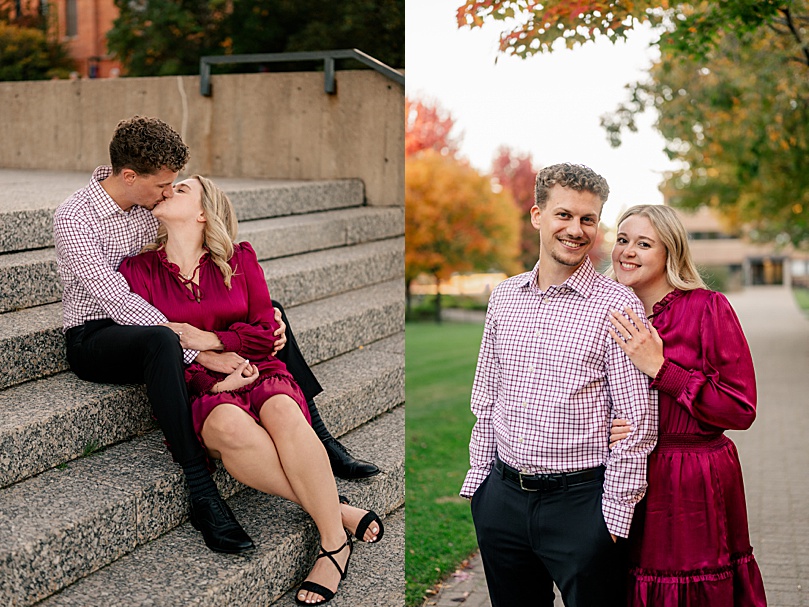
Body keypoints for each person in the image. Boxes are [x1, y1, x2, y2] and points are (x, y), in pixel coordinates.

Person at [53, 116, 376, 557]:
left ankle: (318, 433)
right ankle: (201, 488)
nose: (168, 193)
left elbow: (191, 248)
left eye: (174, 186)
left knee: (272, 311)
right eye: (164, 185)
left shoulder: (148, 206)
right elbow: (118, 301)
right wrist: (202, 353)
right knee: (163, 341)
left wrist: (241, 335)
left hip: (153, 319)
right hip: (97, 334)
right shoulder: (75, 218)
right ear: (129, 176)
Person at [119, 174, 383, 605]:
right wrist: (211, 363)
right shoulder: (137, 271)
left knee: (282, 411)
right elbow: (148, 334)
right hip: (201, 383)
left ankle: (332, 545)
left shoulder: (239, 259)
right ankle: (337, 514)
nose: (168, 190)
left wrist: (213, 339)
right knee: (229, 428)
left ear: (203, 214)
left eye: (182, 189)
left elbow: (266, 331)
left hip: (260, 370)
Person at [460, 163, 658, 607]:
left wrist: (612, 518)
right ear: (537, 216)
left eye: (588, 219)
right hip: (502, 503)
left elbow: (637, 421)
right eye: (564, 215)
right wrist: (480, 488)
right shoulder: (505, 297)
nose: (576, 229)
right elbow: (487, 396)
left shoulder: (618, 305)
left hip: (582, 508)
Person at [607, 204, 767, 606]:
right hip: (624, 476)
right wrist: (604, 424)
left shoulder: (707, 308)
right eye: (622, 240)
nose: (628, 251)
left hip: (691, 478)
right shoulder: (607, 314)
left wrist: (662, 368)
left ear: (670, 253)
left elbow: (739, 407)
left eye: (644, 243)